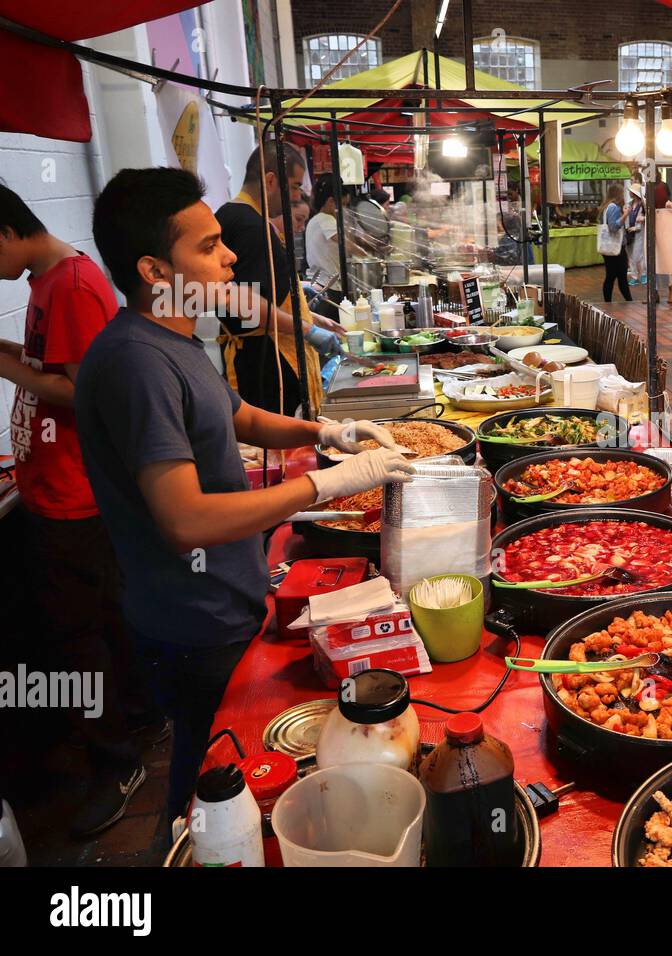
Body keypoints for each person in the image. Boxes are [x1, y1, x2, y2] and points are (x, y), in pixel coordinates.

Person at [79, 167, 415, 822]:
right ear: (154, 269)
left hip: (230, 593)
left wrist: (330, 430)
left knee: (224, 764)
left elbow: (238, 416)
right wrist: (328, 482)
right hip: (193, 618)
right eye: (206, 246)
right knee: (215, 777)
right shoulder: (135, 363)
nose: (230, 254)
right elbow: (184, 519)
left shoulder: (176, 340)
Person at [0, 184, 157, 838]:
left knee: (81, 638)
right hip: (50, 490)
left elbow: (78, 391)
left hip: (76, 495)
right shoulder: (45, 281)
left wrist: (8, 369)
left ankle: (119, 763)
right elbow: (47, 365)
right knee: (91, 630)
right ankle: (132, 728)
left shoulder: (72, 284)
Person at [215, 140, 344, 416]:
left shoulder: (230, 215)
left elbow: (263, 293)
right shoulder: (251, 227)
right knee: (284, 449)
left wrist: (311, 317)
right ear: (271, 180)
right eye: (295, 186)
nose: (296, 196)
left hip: (256, 355)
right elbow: (242, 302)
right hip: (267, 361)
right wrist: (306, 330)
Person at [599, 184, 632, 303]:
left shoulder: (606, 207)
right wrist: (625, 215)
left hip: (608, 247)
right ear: (618, 194)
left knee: (612, 275)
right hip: (616, 247)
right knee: (620, 275)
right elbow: (613, 226)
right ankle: (629, 300)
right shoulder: (613, 207)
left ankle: (609, 301)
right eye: (622, 193)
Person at [623, 185, 646, 286]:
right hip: (629, 234)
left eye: (631, 191)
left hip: (639, 233)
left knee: (638, 256)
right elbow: (626, 217)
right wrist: (627, 227)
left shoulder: (643, 205)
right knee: (630, 256)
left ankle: (644, 274)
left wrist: (636, 227)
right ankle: (634, 277)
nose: (629, 192)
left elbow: (645, 218)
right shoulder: (628, 204)